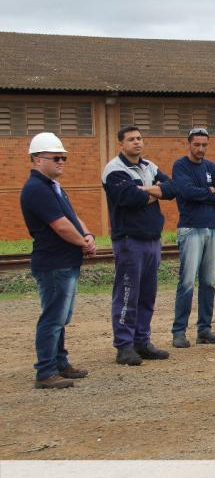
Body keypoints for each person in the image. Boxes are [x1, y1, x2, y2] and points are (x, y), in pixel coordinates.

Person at [20, 133, 96, 389]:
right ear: (37, 159)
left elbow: (73, 217)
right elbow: (60, 226)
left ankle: (60, 362)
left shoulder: (54, 187)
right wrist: (82, 242)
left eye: (63, 157)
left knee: (61, 317)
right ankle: (45, 371)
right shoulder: (36, 189)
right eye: (56, 157)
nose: (62, 161)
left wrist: (87, 234)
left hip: (65, 261)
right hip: (54, 263)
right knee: (53, 317)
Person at [103, 126, 178, 366]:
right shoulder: (114, 170)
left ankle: (142, 341)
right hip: (129, 242)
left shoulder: (149, 166)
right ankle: (124, 346)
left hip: (152, 241)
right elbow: (129, 199)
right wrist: (156, 192)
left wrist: (145, 190)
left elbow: (172, 188)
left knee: (147, 294)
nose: (137, 142)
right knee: (127, 294)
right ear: (121, 144)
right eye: (131, 139)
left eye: (139, 138)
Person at [170, 127, 215, 348]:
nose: (201, 149)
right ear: (189, 144)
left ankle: (205, 329)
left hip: (213, 228)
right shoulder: (180, 166)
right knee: (186, 282)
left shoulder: (211, 167)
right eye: (197, 145)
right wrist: (208, 192)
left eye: (204, 145)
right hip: (191, 229)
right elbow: (185, 192)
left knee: (209, 282)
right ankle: (179, 331)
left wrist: (205, 192)